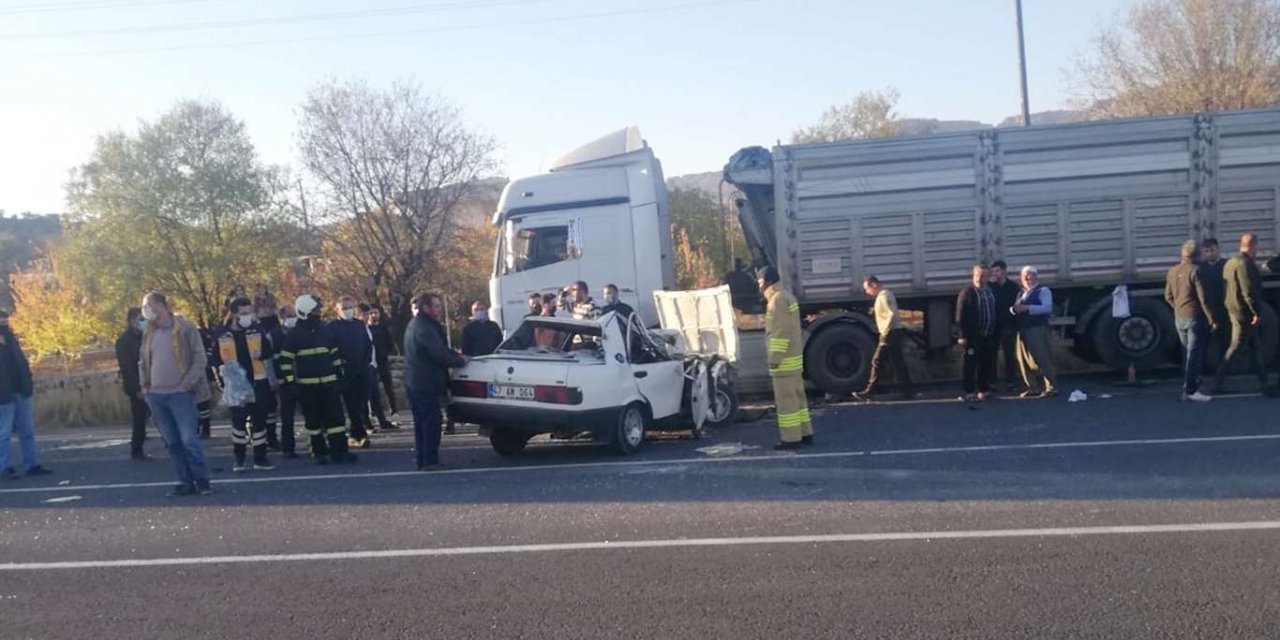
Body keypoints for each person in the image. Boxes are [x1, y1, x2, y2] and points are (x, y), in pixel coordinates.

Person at [138, 292, 211, 496]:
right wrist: (145, 387)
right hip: (156, 395)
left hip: (180, 393)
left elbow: (200, 358)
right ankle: (185, 482)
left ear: (161, 305)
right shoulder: (148, 331)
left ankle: (202, 481)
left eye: (148, 305)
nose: (146, 310)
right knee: (173, 442)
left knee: (189, 439)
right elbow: (143, 361)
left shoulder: (185, 328)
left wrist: (187, 383)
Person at [278, 294, 357, 465]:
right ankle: (318, 452)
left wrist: (339, 374)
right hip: (307, 386)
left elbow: (334, 353)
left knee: (336, 420)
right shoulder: (294, 335)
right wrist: (291, 382)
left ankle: (340, 451)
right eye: (315, 310)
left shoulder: (324, 330)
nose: (318, 312)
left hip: (329, 383)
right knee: (313, 422)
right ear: (305, 311)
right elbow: (285, 360)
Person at [210, 297, 277, 472]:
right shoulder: (222, 334)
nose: (248, 316)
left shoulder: (257, 330)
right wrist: (221, 383)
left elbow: (269, 353)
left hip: (258, 381)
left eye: (250, 312)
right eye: (244, 313)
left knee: (259, 422)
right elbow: (215, 361)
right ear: (234, 314)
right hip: (236, 385)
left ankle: (260, 458)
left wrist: (261, 354)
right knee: (238, 423)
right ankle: (239, 459)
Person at [404, 292, 466, 470]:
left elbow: (441, 348)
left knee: (422, 423)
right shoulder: (424, 328)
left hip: (417, 382)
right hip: (425, 383)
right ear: (426, 308)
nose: (439, 310)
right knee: (431, 422)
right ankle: (429, 460)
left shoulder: (419, 324)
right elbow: (437, 353)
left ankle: (423, 459)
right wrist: (460, 361)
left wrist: (455, 354)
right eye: (436, 306)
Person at [758, 267, 813, 450]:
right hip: (793, 359)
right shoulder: (787, 296)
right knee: (798, 398)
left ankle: (790, 438)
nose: (759, 285)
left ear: (766, 281)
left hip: (783, 362)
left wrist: (774, 358)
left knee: (786, 401)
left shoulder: (777, 300)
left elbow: (780, 332)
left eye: (760, 281)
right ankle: (805, 432)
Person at [0, 310, 52, 480]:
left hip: (20, 390)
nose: (4, 320)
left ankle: (31, 464)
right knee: (4, 433)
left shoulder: (12, 339)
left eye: (6, 317)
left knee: (27, 430)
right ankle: (4, 466)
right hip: (3, 393)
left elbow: (21, 362)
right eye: (1, 318)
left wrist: (28, 382)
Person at [1216, 233, 1271, 393]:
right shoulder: (1246, 264)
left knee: (1255, 346)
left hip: (1233, 309)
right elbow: (1249, 292)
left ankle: (1264, 380)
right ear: (1253, 246)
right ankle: (1218, 380)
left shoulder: (1230, 263)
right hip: (1243, 312)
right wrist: (1256, 312)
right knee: (1236, 346)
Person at [1165, 241, 1219, 402]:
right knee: (1195, 355)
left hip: (1179, 317)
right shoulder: (1196, 271)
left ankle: (1187, 384)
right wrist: (1212, 319)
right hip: (1195, 317)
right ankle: (1191, 390)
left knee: (1186, 353)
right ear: (1197, 255)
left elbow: (1168, 295)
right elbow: (1203, 299)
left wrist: (1178, 307)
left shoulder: (1172, 271)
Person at [853, 276, 914, 401]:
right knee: (897, 362)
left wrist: (885, 332)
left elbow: (891, 314)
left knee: (877, 361)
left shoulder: (883, 296)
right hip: (893, 332)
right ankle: (907, 390)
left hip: (889, 333)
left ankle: (870, 391)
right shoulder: (886, 294)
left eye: (867, 288)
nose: (866, 292)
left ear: (874, 285)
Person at [327, 295, 374, 449]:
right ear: (338, 310)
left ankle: (355, 433)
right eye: (344, 308)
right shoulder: (332, 327)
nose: (348, 311)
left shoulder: (359, 325)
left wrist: (366, 362)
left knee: (362, 402)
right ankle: (359, 434)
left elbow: (368, 345)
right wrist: (340, 365)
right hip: (345, 371)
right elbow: (331, 350)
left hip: (362, 369)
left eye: (350, 307)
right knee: (352, 404)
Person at [1012, 266, 1059, 399]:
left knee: (1042, 357)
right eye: (1024, 276)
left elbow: (1047, 308)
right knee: (1023, 360)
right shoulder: (1021, 293)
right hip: (1022, 328)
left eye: (1030, 275)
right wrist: (1013, 310)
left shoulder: (1043, 291)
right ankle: (1032, 387)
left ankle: (1051, 386)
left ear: (1036, 276)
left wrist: (1027, 308)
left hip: (1037, 328)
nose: (1027, 278)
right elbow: (1016, 308)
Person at [955, 265, 998, 402]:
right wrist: (962, 335)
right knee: (971, 363)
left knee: (986, 362)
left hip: (989, 333)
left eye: (983, 275)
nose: (980, 278)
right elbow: (960, 315)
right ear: (973, 275)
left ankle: (983, 390)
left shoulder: (991, 291)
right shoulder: (967, 292)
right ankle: (969, 391)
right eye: (978, 275)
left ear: (988, 277)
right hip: (973, 335)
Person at [115, 307, 151, 461]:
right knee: (139, 418)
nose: (142, 323)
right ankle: (137, 449)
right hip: (136, 385)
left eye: (144, 319)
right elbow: (127, 367)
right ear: (131, 321)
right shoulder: (124, 341)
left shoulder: (146, 337)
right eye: (139, 319)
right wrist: (137, 387)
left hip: (152, 382)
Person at [358, 304, 397, 433]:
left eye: (368, 314)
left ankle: (382, 421)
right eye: (365, 314)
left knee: (376, 395)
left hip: (374, 364)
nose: (368, 317)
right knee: (365, 396)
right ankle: (366, 424)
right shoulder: (357, 329)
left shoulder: (369, 328)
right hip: (363, 366)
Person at [267, 304, 300, 459]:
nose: (293, 318)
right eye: (289, 315)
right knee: (287, 417)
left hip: (304, 378)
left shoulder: (302, 331)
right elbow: (268, 359)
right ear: (282, 318)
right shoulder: (273, 335)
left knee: (313, 413)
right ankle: (288, 448)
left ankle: (317, 445)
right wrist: (272, 379)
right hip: (284, 381)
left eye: (294, 314)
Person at [989, 260, 1023, 392]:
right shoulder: (991, 287)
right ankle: (991, 381)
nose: (995, 274)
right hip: (994, 325)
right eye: (993, 272)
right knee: (991, 354)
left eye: (997, 271)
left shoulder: (1013, 287)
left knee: (1010, 354)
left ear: (1004, 271)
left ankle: (1011, 382)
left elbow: (1018, 304)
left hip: (1009, 325)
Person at [1199, 238, 1229, 384]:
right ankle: (1206, 372)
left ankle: (1221, 375)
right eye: (1206, 251)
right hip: (1207, 311)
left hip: (1224, 309)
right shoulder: (1201, 269)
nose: (1210, 253)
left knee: (1224, 342)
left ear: (1218, 249)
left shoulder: (1226, 265)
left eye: (1212, 250)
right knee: (1206, 343)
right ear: (1203, 253)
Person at [367, 305, 401, 419]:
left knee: (389, 388)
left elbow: (390, 342)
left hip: (383, 361)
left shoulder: (383, 328)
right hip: (371, 363)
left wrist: (392, 351)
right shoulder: (365, 329)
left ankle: (394, 411)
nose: (373, 315)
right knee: (372, 389)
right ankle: (374, 412)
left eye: (375, 312)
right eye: (371, 313)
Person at [196, 325, 217, 439]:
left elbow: (209, 362)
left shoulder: (199, 338)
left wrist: (212, 379)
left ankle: (205, 429)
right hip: (194, 377)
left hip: (202, 377)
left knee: (203, 405)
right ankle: (201, 428)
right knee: (200, 406)